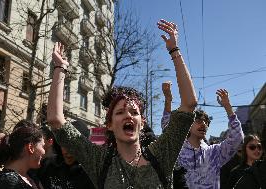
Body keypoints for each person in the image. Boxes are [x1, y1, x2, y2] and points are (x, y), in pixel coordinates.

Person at [47, 19, 197, 188]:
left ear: (143, 123)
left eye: (134, 112)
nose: (128, 115)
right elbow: (56, 120)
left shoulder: (163, 153)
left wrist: (174, 50)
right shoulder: (98, 161)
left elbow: (189, 103)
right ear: (109, 125)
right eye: (119, 112)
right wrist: (60, 68)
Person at [162, 89, 244, 189]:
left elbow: (237, 138)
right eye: (199, 121)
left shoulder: (214, 153)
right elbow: (167, 127)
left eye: (206, 122)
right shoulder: (177, 149)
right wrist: (168, 100)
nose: (204, 124)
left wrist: (227, 107)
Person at [0, 122, 45, 189]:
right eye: (42, 146)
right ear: (31, 147)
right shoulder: (8, 182)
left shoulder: (31, 176)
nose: (44, 152)